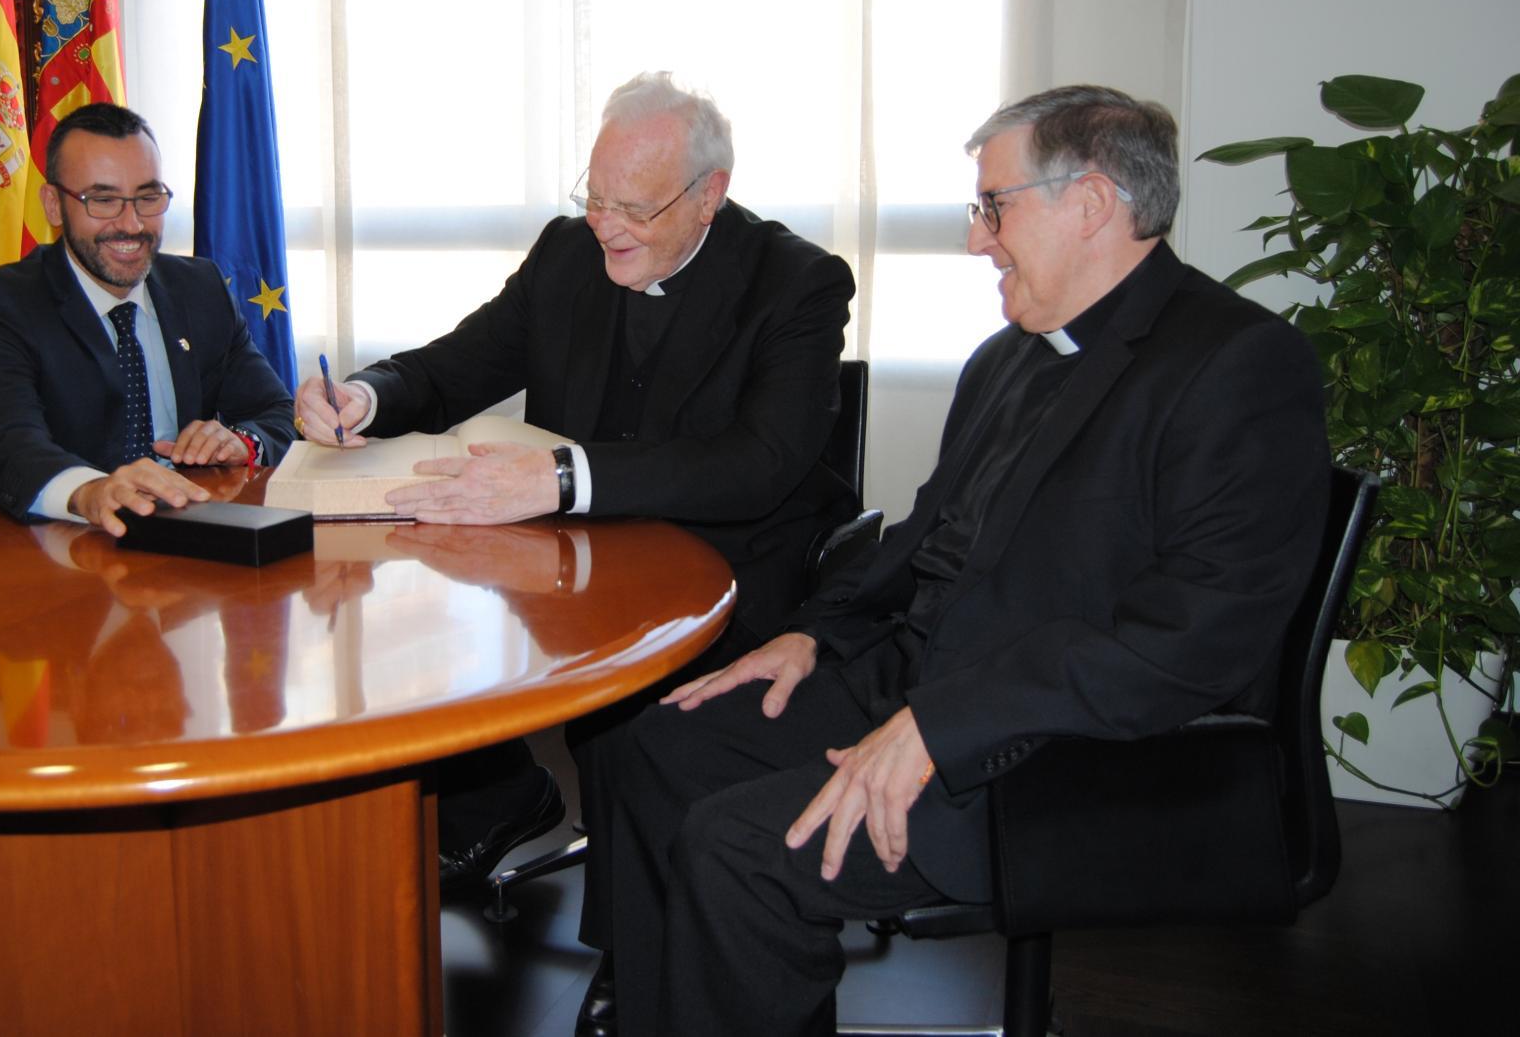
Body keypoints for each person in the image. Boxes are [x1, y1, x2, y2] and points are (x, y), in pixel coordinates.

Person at [586, 85, 1332, 1036]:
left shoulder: (1239, 364)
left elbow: (1192, 643)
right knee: (659, 746)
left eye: (994, 207)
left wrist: (943, 726)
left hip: (1063, 752)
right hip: (923, 677)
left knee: (737, 849)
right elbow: (920, 542)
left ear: (1091, 203)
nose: (978, 239)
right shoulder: (1009, 355)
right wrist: (813, 635)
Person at [291, 71, 858, 902]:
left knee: (635, 727)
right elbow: (458, 364)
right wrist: (365, 395)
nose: (606, 226)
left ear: (709, 196)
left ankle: (633, 949)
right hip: (572, 564)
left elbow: (757, 461)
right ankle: (493, 803)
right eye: (595, 198)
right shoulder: (567, 252)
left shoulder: (796, 282)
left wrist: (561, 476)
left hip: (729, 574)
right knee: (411, 629)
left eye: (635, 208)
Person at [0, 102, 295, 535]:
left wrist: (241, 442)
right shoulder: (3, 305)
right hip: (62, 546)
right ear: (53, 205)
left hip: (193, 537)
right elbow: (4, 443)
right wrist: (89, 491)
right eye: (103, 200)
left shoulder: (200, 287)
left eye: (148, 198)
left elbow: (276, 412)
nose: (131, 224)